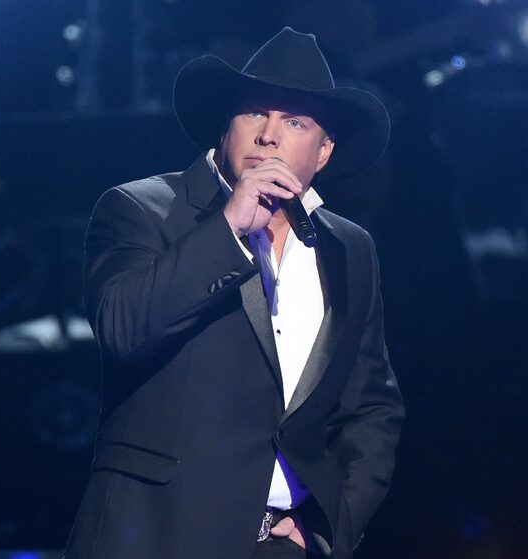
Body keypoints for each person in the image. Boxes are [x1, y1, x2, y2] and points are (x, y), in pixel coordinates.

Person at [63, 27, 404, 559]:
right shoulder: (140, 210)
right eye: (254, 114)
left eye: (295, 122)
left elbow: (372, 408)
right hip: (156, 537)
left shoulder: (349, 248)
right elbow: (122, 329)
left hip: (283, 546)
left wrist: (327, 527)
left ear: (324, 150)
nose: (269, 136)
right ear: (226, 128)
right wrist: (228, 228)